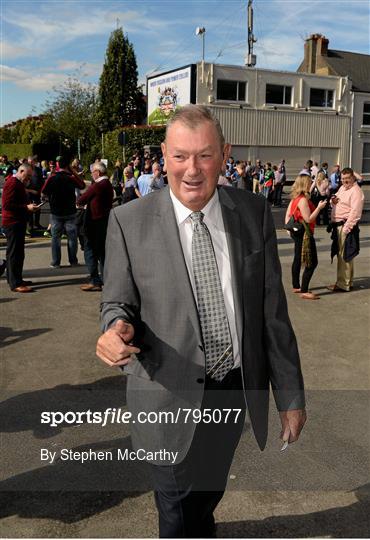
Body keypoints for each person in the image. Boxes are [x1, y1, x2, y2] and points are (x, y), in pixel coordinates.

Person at [96, 105, 306, 538]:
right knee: (174, 509)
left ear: (225, 154)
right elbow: (116, 302)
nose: (192, 170)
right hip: (165, 392)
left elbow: (273, 315)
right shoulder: (128, 221)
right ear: (163, 155)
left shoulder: (252, 213)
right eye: (180, 156)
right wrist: (115, 329)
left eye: (205, 155)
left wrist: (290, 396)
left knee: (207, 493)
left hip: (231, 387)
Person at [285, 175, 327, 300]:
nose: (311, 184)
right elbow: (308, 219)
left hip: (297, 232)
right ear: (305, 184)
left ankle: (296, 285)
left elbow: (287, 215)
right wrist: (319, 208)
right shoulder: (303, 200)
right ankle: (304, 290)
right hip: (304, 233)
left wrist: (289, 229)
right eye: (310, 182)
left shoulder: (295, 198)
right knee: (312, 262)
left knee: (298, 257)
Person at [41, 156, 85, 268]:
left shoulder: (52, 177)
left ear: (57, 165)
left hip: (56, 212)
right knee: (72, 237)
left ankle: (56, 262)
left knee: (56, 238)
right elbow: (82, 185)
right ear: (68, 166)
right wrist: (73, 172)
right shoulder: (71, 178)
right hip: (70, 211)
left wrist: (48, 197)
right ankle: (73, 261)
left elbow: (43, 192)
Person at [1, 164, 38, 292]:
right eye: (27, 176)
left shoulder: (17, 183)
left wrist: (28, 206)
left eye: (30, 177)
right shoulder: (12, 183)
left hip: (17, 221)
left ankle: (16, 279)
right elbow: (6, 205)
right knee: (14, 253)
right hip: (12, 223)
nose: (28, 180)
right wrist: (26, 207)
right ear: (21, 171)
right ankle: (15, 283)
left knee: (18, 253)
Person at [327, 167, 364, 292]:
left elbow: (355, 213)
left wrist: (346, 229)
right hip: (338, 225)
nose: (345, 181)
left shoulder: (356, 191)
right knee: (342, 255)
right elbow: (335, 199)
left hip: (345, 226)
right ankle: (346, 282)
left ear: (353, 177)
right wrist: (333, 200)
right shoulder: (342, 188)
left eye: (347, 178)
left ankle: (343, 284)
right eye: (343, 178)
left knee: (345, 256)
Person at [77, 161, 113, 291]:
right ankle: (106, 279)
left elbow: (81, 199)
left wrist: (80, 202)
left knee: (90, 251)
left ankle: (94, 280)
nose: (91, 175)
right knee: (102, 253)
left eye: (92, 172)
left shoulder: (97, 185)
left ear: (97, 172)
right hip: (104, 221)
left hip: (93, 223)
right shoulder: (108, 184)